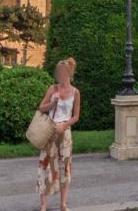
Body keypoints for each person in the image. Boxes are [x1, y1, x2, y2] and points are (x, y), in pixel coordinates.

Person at [36, 57, 80, 211]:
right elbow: (41, 108)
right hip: (49, 132)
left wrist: (64, 125)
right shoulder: (52, 89)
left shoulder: (75, 92)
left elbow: (76, 116)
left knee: (65, 168)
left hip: (65, 135)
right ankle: (43, 205)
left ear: (69, 73)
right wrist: (52, 103)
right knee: (45, 166)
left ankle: (63, 204)